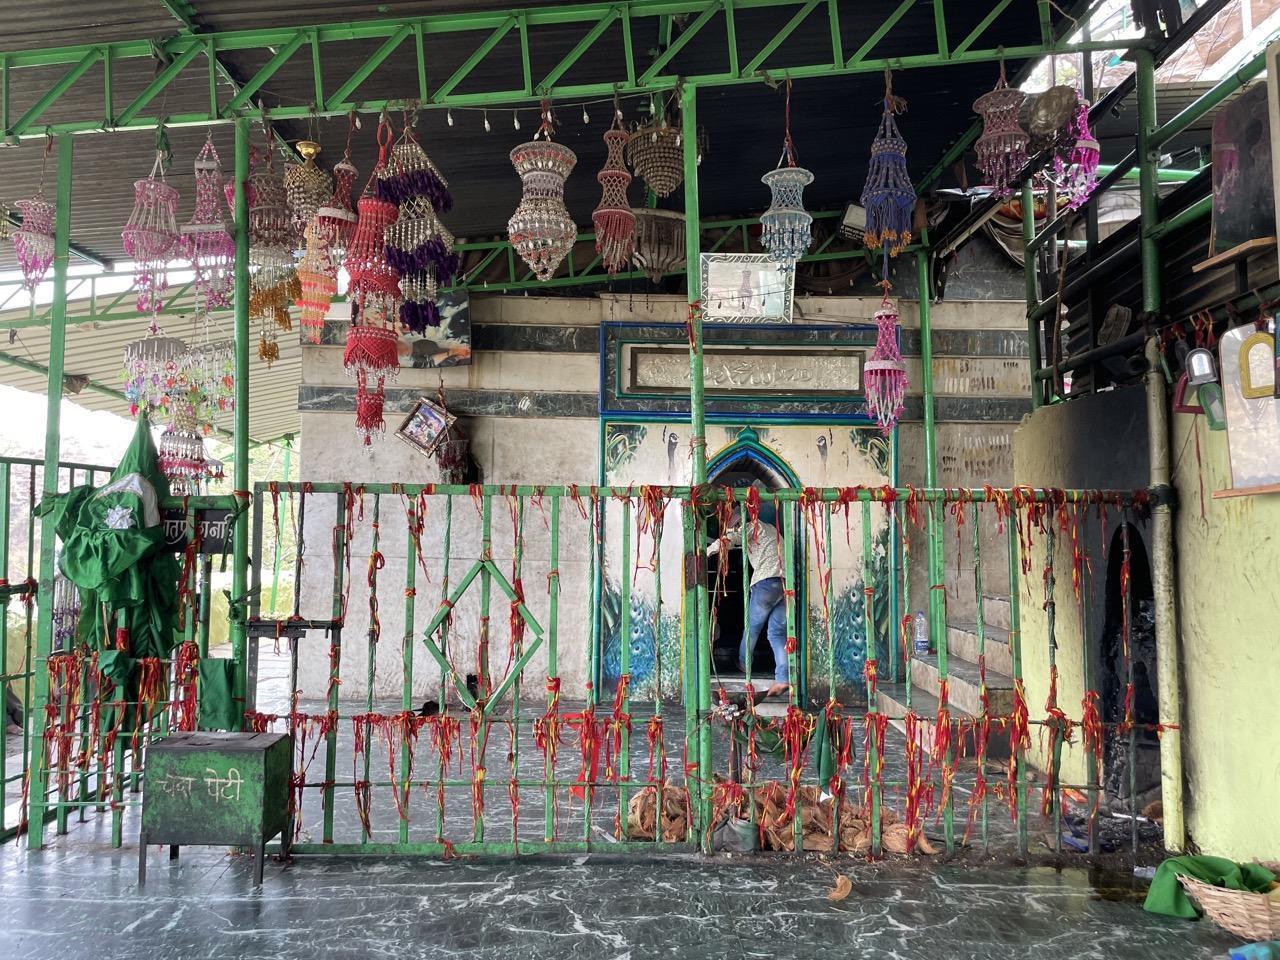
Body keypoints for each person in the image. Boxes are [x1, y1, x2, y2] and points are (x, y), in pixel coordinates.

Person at [709, 505, 789, 699]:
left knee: (752, 627)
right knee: (777, 633)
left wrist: (705, 552)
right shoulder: (770, 528)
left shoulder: (749, 529)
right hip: (786, 583)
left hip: (765, 583)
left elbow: (726, 542)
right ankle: (783, 678)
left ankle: (744, 664)